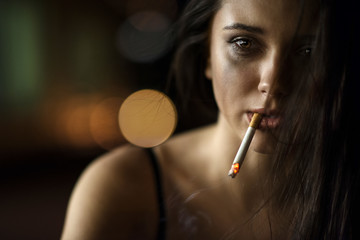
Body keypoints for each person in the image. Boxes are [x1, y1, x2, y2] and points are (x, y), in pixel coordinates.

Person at [61, 0, 360, 239]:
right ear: (206, 54)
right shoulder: (124, 190)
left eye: (309, 51)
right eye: (244, 44)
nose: (274, 81)